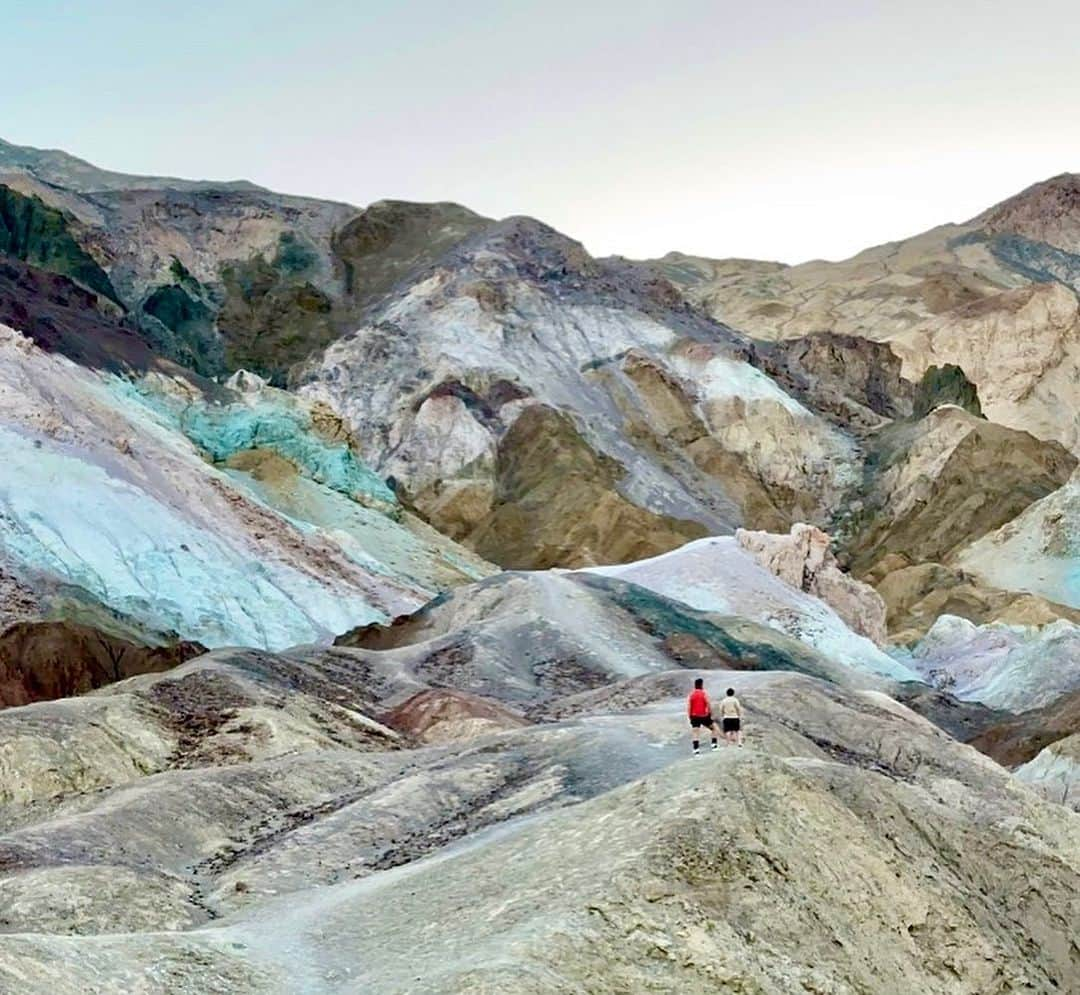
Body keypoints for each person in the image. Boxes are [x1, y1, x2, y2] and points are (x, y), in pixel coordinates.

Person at [687, 677, 719, 754]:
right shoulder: (704, 693)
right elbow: (708, 704)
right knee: (714, 728)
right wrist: (710, 713)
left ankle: (696, 749)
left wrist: (689, 716)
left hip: (694, 716)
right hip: (703, 715)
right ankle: (714, 745)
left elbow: (689, 706)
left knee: (695, 732)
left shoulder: (691, 694)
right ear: (702, 685)